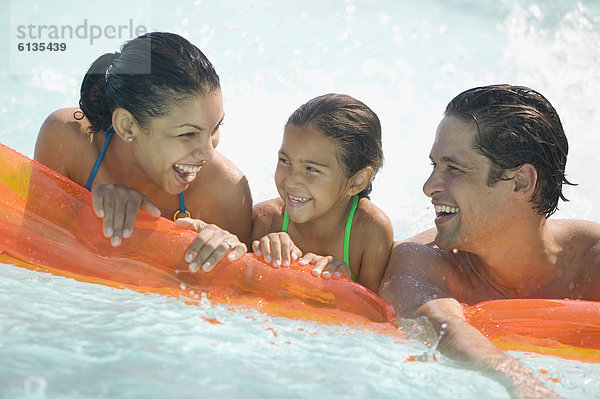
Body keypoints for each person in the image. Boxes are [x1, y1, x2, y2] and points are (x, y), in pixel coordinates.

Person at [379, 84, 600, 398]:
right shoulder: (418, 261)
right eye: (434, 165)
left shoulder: (592, 262)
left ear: (521, 182)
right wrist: (522, 383)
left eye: (453, 168)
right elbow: (441, 328)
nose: (429, 187)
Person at [34, 32, 252, 272]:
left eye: (215, 128)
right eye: (187, 134)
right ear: (127, 125)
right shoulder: (69, 141)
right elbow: (34, 254)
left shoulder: (224, 193)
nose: (208, 153)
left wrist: (223, 254)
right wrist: (90, 214)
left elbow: (241, 297)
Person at [251, 94, 394, 292]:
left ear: (357, 181)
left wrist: (345, 286)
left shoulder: (369, 232)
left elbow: (376, 314)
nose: (291, 181)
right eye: (285, 161)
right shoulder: (265, 221)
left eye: (311, 169)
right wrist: (260, 259)